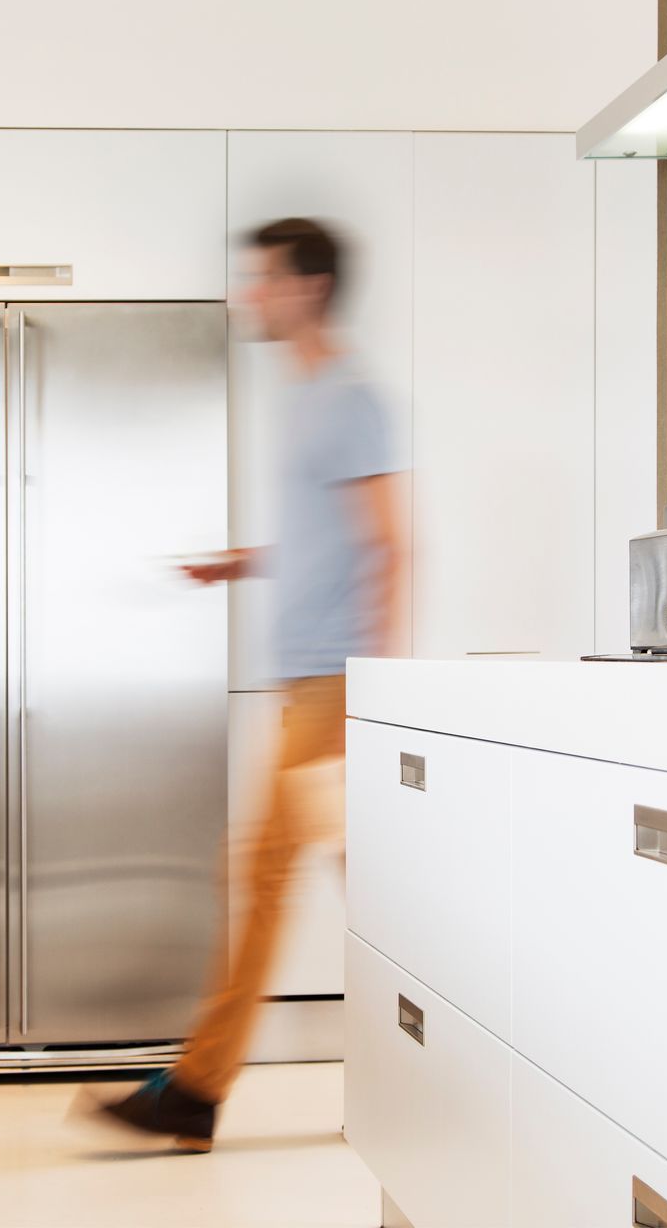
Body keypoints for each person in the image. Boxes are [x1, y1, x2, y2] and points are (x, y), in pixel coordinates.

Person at [78, 217, 405, 1152]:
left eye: (259, 279)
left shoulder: (348, 396)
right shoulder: (306, 397)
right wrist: (242, 564)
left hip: (332, 687)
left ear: (305, 287)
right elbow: (326, 540)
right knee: (380, 886)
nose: (244, 296)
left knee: (267, 874)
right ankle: (459, 1049)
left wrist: (375, 689)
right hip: (306, 681)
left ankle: (195, 1086)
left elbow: (391, 539)